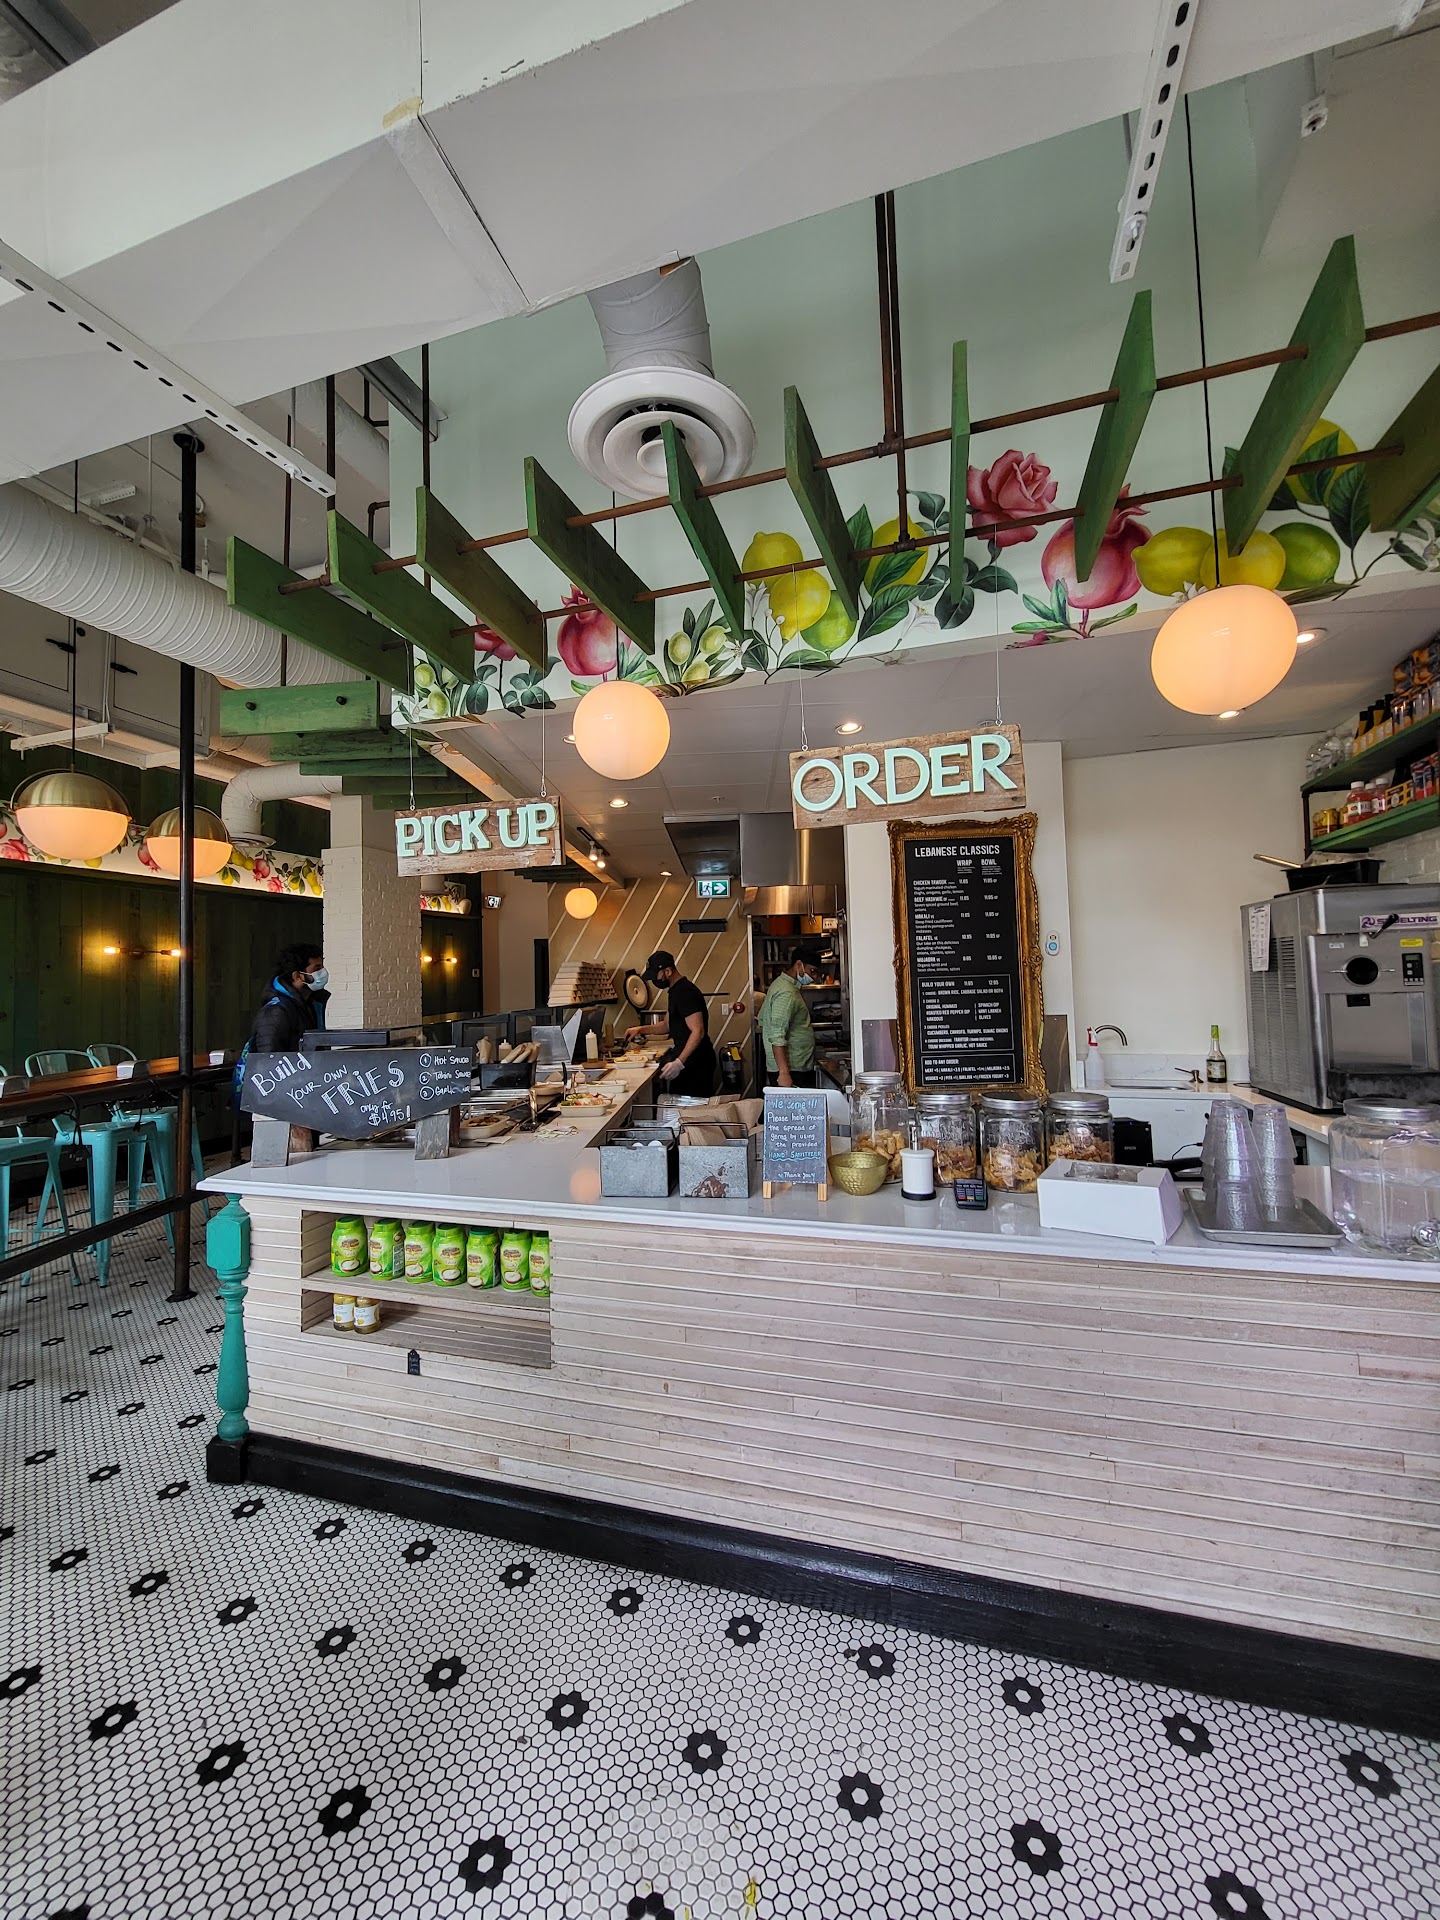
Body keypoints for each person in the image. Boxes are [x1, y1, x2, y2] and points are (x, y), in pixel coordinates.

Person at [639, 949, 716, 1098]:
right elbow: (666, 1025)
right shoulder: (675, 991)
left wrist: (679, 1063)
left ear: (667, 971)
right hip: (688, 1059)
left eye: (656, 976)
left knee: (692, 1108)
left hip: (696, 1062)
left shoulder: (685, 992)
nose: (655, 981)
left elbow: (698, 1030)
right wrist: (639, 1030)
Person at [246, 944, 327, 1055]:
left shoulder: (311, 1003)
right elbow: (268, 1058)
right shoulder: (275, 1011)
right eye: (316, 969)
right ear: (297, 976)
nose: (323, 973)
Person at [760, 952, 818, 1087]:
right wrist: (784, 1073)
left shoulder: (780, 985)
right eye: (812, 971)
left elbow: (762, 1018)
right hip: (791, 1069)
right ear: (798, 964)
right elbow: (777, 1035)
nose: (814, 976)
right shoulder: (787, 992)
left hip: (791, 1066)